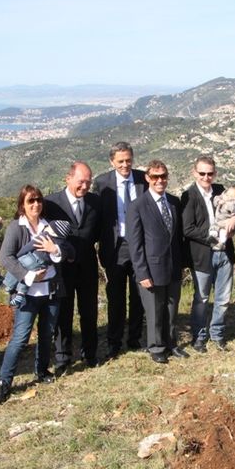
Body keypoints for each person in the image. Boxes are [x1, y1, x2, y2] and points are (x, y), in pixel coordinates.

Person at [0, 185, 74, 405]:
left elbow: (66, 252)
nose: (36, 204)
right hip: (28, 293)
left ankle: (42, 371)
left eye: (38, 200)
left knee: (47, 333)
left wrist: (54, 250)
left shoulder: (50, 226)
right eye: (30, 201)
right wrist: (28, 276)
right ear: (22, 205)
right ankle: (4, 382)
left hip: (51, 291)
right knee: (20, 338)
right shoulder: (16, 228)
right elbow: (6, 258)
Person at [44, 161, 102, 369]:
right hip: (61, 268)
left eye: (88, 182)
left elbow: (99, 231)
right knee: (64, 311)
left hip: (87, 264)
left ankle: (91, 353)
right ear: (68, 179)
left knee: (89, 310)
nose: (85, 186)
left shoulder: (95, 202)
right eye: (81, 182)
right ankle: (63, 356)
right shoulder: (51, 203)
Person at [126, 160, 185, 364]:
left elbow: (177, 238)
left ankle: (171, 344)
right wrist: (142, 273)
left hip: (173, 267)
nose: (160, 180)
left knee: (171, 310)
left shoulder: (174, 202)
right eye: (155, 177)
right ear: (147, 178)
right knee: (154, 312)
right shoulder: (137, 206)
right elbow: (135, 244)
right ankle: (156, 347)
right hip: (151, 269)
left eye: (163, 176)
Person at [93, 142, 147, 358]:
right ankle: (114, 341)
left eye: (128, 160)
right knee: (115, 297)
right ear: (112, 162)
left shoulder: (143, 179)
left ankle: (133, 339)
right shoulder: (102, 183)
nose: (125, 165)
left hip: (140, 245)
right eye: (120, 161)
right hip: (115, 247)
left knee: (138, 295)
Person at [180, 155, 235, 353]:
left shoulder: (222, 190)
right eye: (202, 173)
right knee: (202, 298)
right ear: (194, 173)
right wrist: (212, 237)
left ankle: (218, 334)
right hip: (203, 255)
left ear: (215, 173)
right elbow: (187, 228)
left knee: (223, 298)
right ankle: (199, 336)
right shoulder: (189, 196)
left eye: (210, 173)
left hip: (225, 254)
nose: (206, 177)